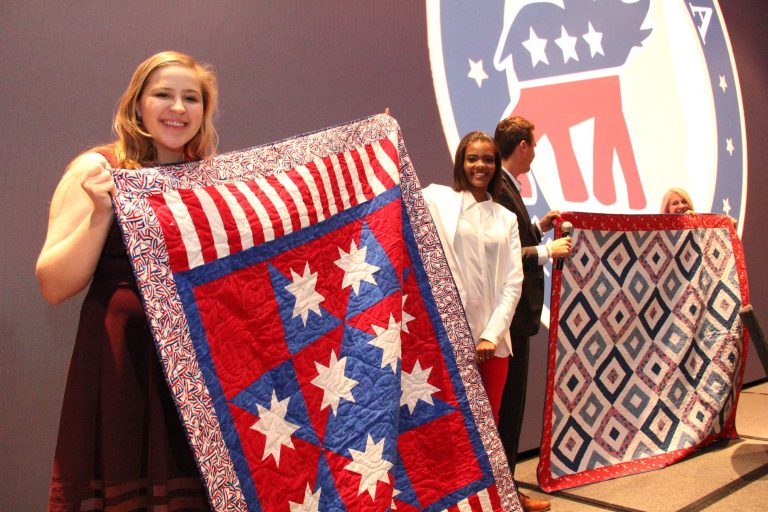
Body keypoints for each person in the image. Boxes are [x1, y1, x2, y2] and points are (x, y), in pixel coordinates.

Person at [37, 51, 218, 511]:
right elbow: (53, 284)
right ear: (138, 104)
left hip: (195, 373)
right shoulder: (97, 169)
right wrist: (100, 213)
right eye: (163, 95)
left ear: (204, 110)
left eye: (191, 98)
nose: (177, 108)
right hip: (123, 363)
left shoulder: (211, 181)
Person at [493, 115, 572, 512]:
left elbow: (514, 237)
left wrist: (538, 228)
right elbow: (501, 253)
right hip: (511, 315)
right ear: (522, 146)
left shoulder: (508, 187)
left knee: (511, 406)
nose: (536, 153)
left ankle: (506, 489)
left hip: (514, 316)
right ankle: (507, 493)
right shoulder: (500, 188)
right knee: (509, 408)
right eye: (534, 145)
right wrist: (546, 251)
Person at [422, 131, 523, 423]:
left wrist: (491, 335)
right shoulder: (437, 199)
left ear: (496, 166)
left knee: (487, 424)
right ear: (461, 163)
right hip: (449, 339)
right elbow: (398, 188)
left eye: (488, 160)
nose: (481, 165)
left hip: (493, 344)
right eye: (472, 159)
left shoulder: (506, 218)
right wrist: (386, 138)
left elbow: (513, 282)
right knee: (451, 426)